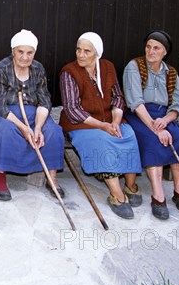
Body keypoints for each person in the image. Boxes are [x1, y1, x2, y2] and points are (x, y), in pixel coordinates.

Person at [59, 32, 142, 219]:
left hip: (109, 120)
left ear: (97, 53)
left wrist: (115, 122)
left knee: (128, 135)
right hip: (81, 124)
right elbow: (73, 109)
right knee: (102, 141)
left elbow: (118, 98)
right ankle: (117, 195)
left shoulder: (108, 67)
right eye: (78, 49)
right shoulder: (68, 72)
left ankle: (130, 186)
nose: (80, 54)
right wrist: (102, 126)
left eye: (86, 51)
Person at [0, 29, 65, 201]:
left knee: (54, 131)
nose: (25, 57)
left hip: (34, 113)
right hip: (4, 114)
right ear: (13, 51)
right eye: (20, 52)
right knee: (6, 132)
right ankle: (0, 176)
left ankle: (52, 177)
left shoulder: (38, 69)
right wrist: (23, 127)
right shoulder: (2, 68)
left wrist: (38, 127)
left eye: (30, 52)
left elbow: (44, 101)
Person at [123, 30, 179, 220]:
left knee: (177, 136)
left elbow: (177, 106)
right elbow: (135, 102)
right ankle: (158, 195)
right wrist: (156, 128)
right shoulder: (133, 67)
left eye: (156, 48)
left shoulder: (171, 73)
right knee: (154, 141)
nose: (151, 51)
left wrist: (166, 121)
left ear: (165, 52)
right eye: (148, 46)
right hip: (140, 115)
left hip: (163, 115)